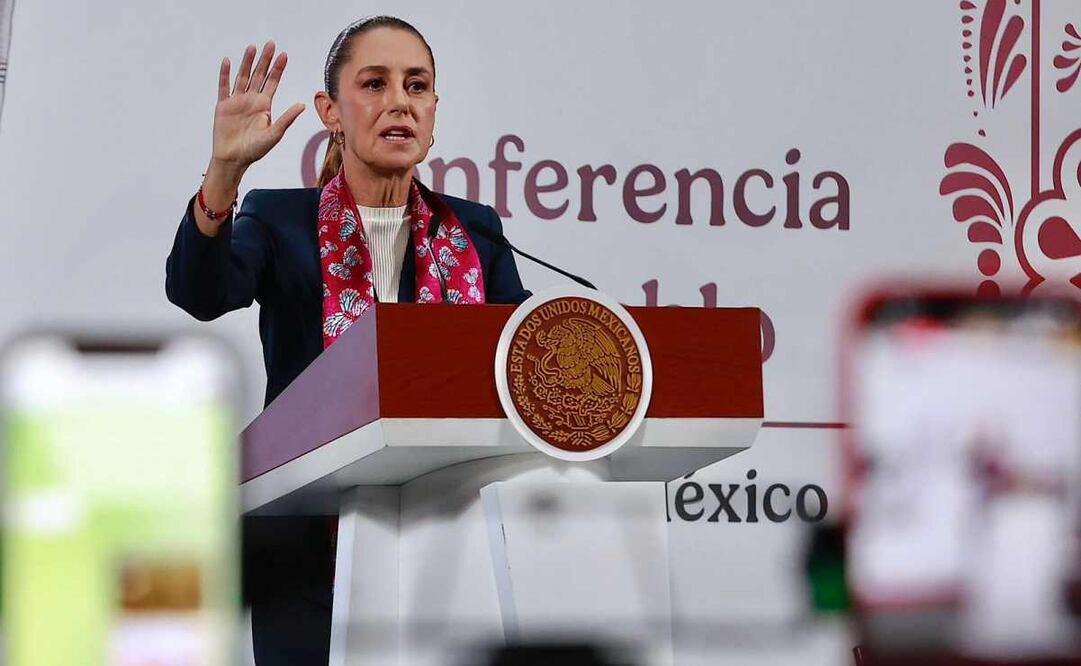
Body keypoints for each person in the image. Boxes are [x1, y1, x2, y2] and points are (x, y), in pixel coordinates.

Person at [165, 16, 531, 665]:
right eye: (375, 83)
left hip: (443, 540)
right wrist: (224, 172)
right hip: (303, 544)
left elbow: (523, 353)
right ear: (331, 111)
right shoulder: (281, 219)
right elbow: (200, 292)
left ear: (433, 111)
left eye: (416, 86)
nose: (399, 100)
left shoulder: (475, 232)